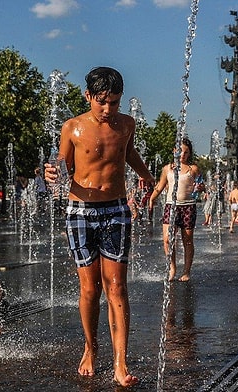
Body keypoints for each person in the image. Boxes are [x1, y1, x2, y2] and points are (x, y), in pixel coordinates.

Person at [44, 67, 154, 387]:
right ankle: (91, 348)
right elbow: (61, 165)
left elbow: (129, 153)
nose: (108, 110)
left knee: (116, 287)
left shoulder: (126, 125)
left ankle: (121, 361)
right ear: (88, 96)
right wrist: (51, 173)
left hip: (117, 210)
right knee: (90, 289)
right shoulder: (72, 128)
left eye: (115, 103)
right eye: (102, 102)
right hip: (80, 212)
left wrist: (146, 176)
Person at [149, 137, 201, 282]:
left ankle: (186, 271)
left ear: (189, 154)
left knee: (187, 240)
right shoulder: (167, 169)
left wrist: (201, 188)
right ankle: (172, 268)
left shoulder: (193, 169)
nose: (182, 155)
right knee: (167, 239)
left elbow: (201, 184)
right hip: (171, 207)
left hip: (188, 206)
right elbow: (160, 186)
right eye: (179, 151)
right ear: (174, 151)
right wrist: (152, 199)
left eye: (185, 152)